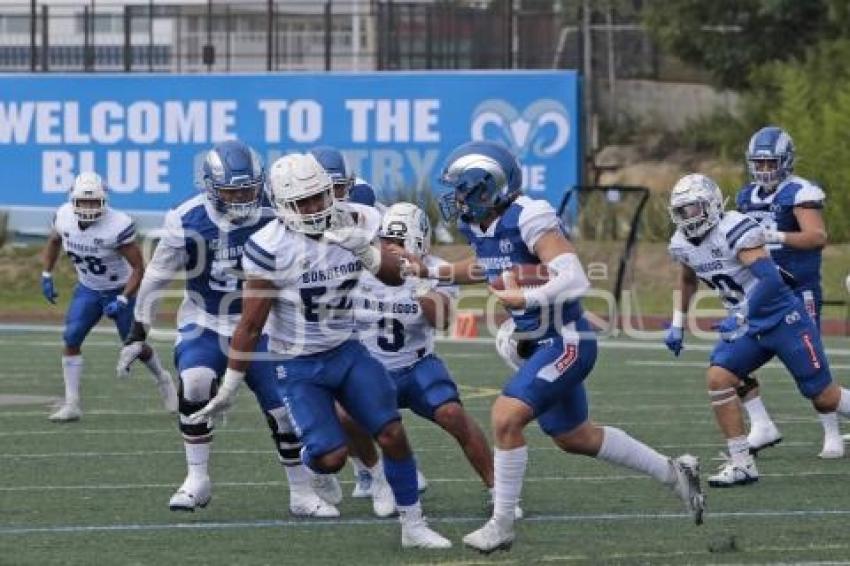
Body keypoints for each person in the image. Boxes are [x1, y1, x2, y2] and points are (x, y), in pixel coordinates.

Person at [406, 141, 705, 553]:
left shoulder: (530, 215)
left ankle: (502, 524)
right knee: (574, 436)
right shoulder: (480, 225)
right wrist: (429, 269)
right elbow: (486, 266)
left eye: (462, 188)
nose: (455, 198)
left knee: (505, 416)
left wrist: (525, 300)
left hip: (566, 339)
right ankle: (675, 473)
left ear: (486, 188)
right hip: (536, 343)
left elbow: (575, 278)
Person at [187, 152, 452, 549]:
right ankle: (315, 468)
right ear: (281, 205)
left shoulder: (358, 219)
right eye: (303, 202)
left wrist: (367, 251)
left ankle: (414, 526)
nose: (314, 208)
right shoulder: (269, 245)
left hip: (347, 350)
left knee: (393, 433)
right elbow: (250, 323)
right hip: (297, 363)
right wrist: (229, 386)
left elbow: (394, 279)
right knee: (330, 457)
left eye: (319, 197)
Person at [117, 141, 336, 517]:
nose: (242, 200)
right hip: (207, 320)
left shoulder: (276, 211)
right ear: (211, 188)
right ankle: (196, 478)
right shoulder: (186, 217)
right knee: (197, 380)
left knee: (283, 410)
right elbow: (156, 275)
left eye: (248, 190)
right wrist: (140, 326)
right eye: (232, 192)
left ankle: (300, 493)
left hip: (265, 325)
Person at [665, 173, 850, 487]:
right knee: (719, 377)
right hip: (748, 324)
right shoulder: (682, 243)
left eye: (693, 208)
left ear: (710, 204)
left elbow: (771, 280)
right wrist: (677, 323)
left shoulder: (733, 228)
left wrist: (741, 317)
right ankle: (741, 463)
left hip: (782, 318)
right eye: (682, 210)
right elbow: (687, 279)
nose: (687, 217)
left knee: (823, 397)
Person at [351, 202, 516, 518]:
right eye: (384, 240)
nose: (388, 248)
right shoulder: (364, 268)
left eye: (397, 242)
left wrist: (419, 281)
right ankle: (377, 477)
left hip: (416, 364)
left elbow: (440, 319)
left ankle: (499, 489)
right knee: (343, 412)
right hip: (371, 367)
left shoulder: (437, 269)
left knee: (453, 414)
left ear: (418, 243)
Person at [735, 126, 840, 458]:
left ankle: (832, 433)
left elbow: (816, 236)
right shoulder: (744, 196)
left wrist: (775, 236)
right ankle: (761, 422)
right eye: (759, 163)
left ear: (786, 161)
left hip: (798, 289)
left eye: (771, 163)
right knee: (732, 357)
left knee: (812, 364)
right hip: (759, 292)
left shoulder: (799, 192)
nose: (765, 170)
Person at [41, 172, 176, 422]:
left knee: (135, 345)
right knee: (71, 338)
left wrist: (124, 298)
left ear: (104, 201)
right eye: (84, 202)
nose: (89, 208)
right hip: (89, 288)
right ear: (73, 200)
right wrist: (46, 273)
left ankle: (163, 378)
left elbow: (138, 267)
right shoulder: (63, 217)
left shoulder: (117, 225)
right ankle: (72, 404)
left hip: (120, 288)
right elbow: (53, 241)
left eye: (94, 202)